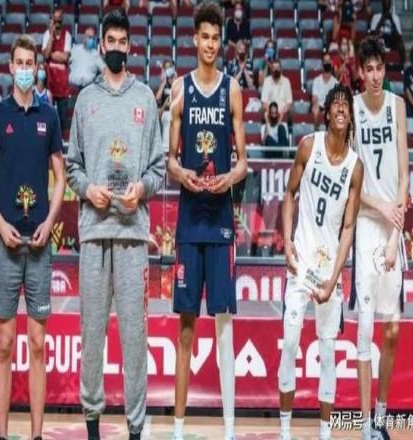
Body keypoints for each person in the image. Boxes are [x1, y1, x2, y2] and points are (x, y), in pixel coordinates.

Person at [66, 9, 165, 440]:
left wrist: (141, 188)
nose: (118, 48)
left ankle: (135, 430)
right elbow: (72, 166)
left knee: (134, 339)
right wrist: (89, 190)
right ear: (102, 45)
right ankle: (92, 427)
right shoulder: (85, 101)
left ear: (130, 46)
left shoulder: (144, 98)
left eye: (124, 42)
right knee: (92, 337)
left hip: (131, 235)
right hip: (93, 232)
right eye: (112, 41)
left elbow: (158, 167)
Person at [167, 2, 247, 439]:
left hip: (219, 222)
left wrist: (229, 179)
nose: (211, 44)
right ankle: (179, 430)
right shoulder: (180, 89)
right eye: (205, 37)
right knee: (185, 329)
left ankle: (230, 430)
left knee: (224, 328)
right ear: (194, 39)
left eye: (217, 38)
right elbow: (169, 160)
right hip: (188, 221)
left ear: (221, 41)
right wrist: (183, 174)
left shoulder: (232, 90)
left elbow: (243, 162)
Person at [0, 35, 65, 440]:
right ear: (11, 67)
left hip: (40, 245)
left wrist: (50, 221)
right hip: (8, 245)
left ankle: (36, 436)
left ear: (37, 67)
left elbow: (61, 177)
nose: (26, 69)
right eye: (21, 63)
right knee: (5, 343)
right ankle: (1, 435)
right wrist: (0, 225)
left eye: (32, 63)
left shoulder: (50, 116)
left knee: (37, 344)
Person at [278, 84, 363, 440]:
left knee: (328, 353)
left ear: (350, 116)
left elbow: (348, 229)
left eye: (346, 105)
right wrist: (287, 242)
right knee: (291, 342)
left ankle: (325, 434)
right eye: (336, 104)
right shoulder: (307, 147)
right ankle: (285, 431)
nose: (341, 108)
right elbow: (289, 194)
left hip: (329, 273)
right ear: (327, 114)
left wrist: (335, 278)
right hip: (301, 264)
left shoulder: (355, 167)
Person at [350, 36, 409, 440]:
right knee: (365, 328)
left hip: (393, 228)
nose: (374, 76)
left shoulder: (397, 106)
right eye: (368, 69)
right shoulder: (352, 109)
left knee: (392, 330)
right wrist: (380, 208)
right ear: (360, 72)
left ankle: (382, 416)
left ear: (385, 71)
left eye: (379, 69)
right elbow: (351, 186)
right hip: (367, 226)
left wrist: (394, 232)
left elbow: (404, 176)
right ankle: (365, 425)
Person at [42, 6, 72, 132]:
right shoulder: (47, 34)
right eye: (55, 20)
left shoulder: (67, 35)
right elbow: (45, 55)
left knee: (62, 119)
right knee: (48, 118)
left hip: (62, 83)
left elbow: (65, 57)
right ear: (52, 20)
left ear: (62, 20)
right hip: (49, 81)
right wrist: (51, 36)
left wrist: (52, 54)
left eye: (59, 20)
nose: (57, 23)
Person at [69, 25, 105, 89]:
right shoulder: (75, 49)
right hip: (72, 87)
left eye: (93, 38)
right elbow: (65, 62)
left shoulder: (96, 54)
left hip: (88, 89)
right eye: (90, 37)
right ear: (84, 37)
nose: (91, 40)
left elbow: (104, 71)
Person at [370, 0, 405, 65]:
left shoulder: (395, 17)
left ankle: (401, 66)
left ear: (390, 4)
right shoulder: (376, 17)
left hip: (391, 41)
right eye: (385, 3)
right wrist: (382, 19)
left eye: (388, 3)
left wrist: (392, 20)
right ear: (382, 4)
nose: (386, 5)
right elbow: (373, 35)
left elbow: (399, 36)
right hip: (379, 41)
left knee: (401, 44)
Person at [155, 59, 177, 151]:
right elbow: (157, 99)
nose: (168, 71)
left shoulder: (176, 83)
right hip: (164, 113)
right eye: (166, 69)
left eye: (170, 68)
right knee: (166, 117)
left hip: (174, 113)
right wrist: (163, 82)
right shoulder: (163, 85)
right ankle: (165, 147)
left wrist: (175, 81)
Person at [311, 53, 339, 128]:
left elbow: (336, 100)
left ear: (331, 63)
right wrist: (316, 105)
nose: (327, 63)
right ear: (322, 63)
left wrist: (327, 109)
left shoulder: (336, 82)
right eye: (325, 61)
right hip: (319, 106)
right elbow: (314, 99)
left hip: (330, 107)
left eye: (328, 61)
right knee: (315, 109)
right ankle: (316, 131)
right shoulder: (316, 80)